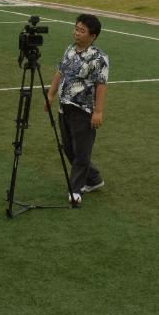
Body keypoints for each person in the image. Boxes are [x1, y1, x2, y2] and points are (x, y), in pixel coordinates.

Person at [46, 14, 109, 207]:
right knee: (68, 148)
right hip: (65, 107)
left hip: (84, 110)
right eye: (76, 28)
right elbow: (60, 71)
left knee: (81, 153)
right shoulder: (69, 50)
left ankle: (75, 189)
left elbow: (101, 85)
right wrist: (50, 94)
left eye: (82, 30)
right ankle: (94, 179)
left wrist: (98, 112)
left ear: (93, 36)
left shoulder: (99, 58)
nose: (77, 33)